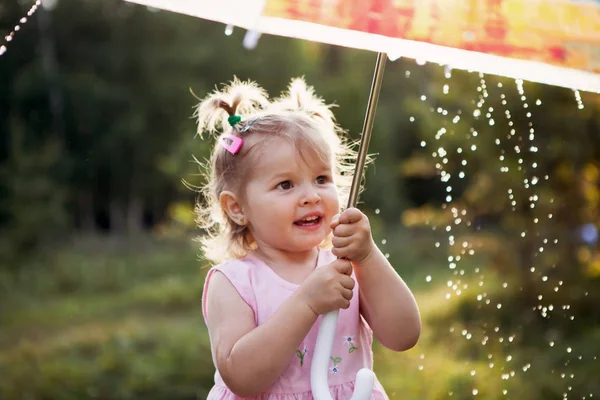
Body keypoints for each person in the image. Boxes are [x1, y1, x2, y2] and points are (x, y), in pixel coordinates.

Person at [195, 77, 421, 400]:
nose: (311, 196)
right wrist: (306, 302)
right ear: (237, 208)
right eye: (286, 185)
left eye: (321, 178)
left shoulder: (346, 267)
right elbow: (241, 377)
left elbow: (404, 335)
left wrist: (369, 255)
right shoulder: (234, 282)